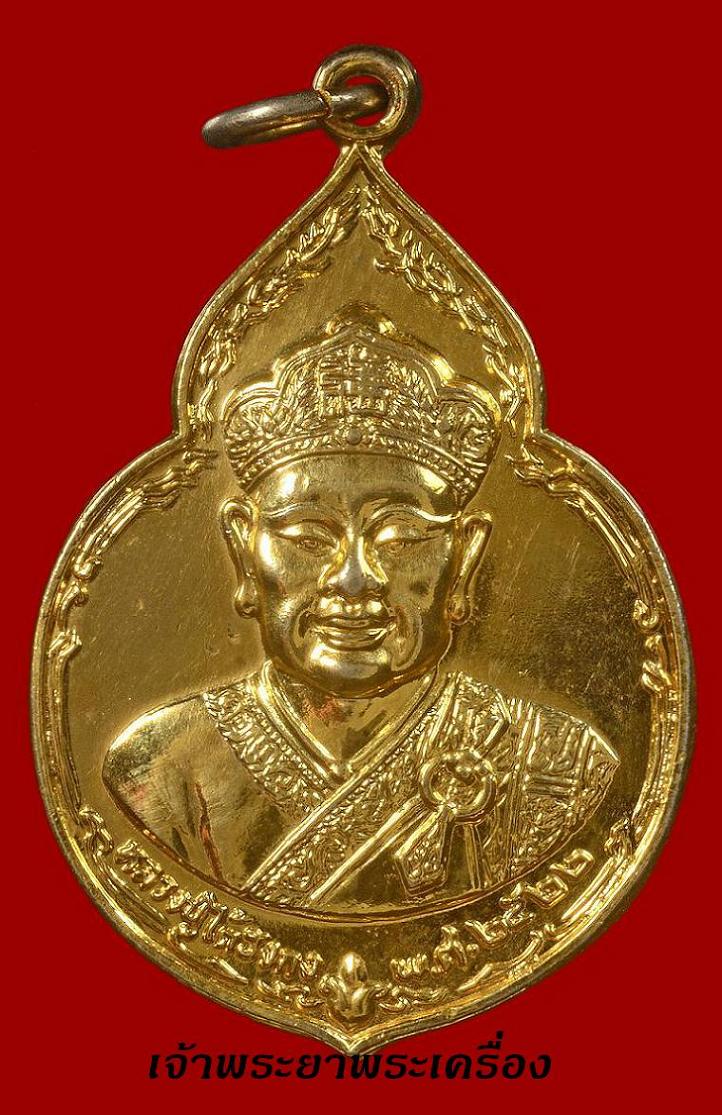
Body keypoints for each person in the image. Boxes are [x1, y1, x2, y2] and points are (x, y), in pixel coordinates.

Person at [104, 304, 617, 913]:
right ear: (244, 550)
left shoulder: (556, 763)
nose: (352, 579)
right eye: (307, 537)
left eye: (400, 538)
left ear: (464, 559)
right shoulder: (163, 765)